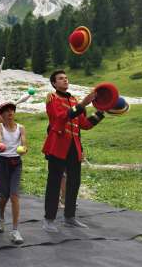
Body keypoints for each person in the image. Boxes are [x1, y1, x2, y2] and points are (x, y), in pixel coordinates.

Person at [42, 70, 105, 233]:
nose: (65, 80)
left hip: (73, 147)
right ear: (54, 84)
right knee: (54, 183)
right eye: (60, 79)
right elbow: (60, 117)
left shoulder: (73, 100)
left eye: (66, 78)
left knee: (74, 182)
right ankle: (49, 219)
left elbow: (84, 124)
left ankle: (69, 217)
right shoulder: (52, 98)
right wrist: (83, 104)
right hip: (57, 146)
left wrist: (101, 112)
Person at [0, 102, 27, 245]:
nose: (9, 113)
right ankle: (0, 217)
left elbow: (24, 144)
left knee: (14, 195)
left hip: (16, 163)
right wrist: (0, 146)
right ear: (2, 115)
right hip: (2, 162)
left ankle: (15, 230)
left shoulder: (21, 128)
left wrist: (24, 149)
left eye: (11, 111)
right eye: (6, 111)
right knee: (4, 195)